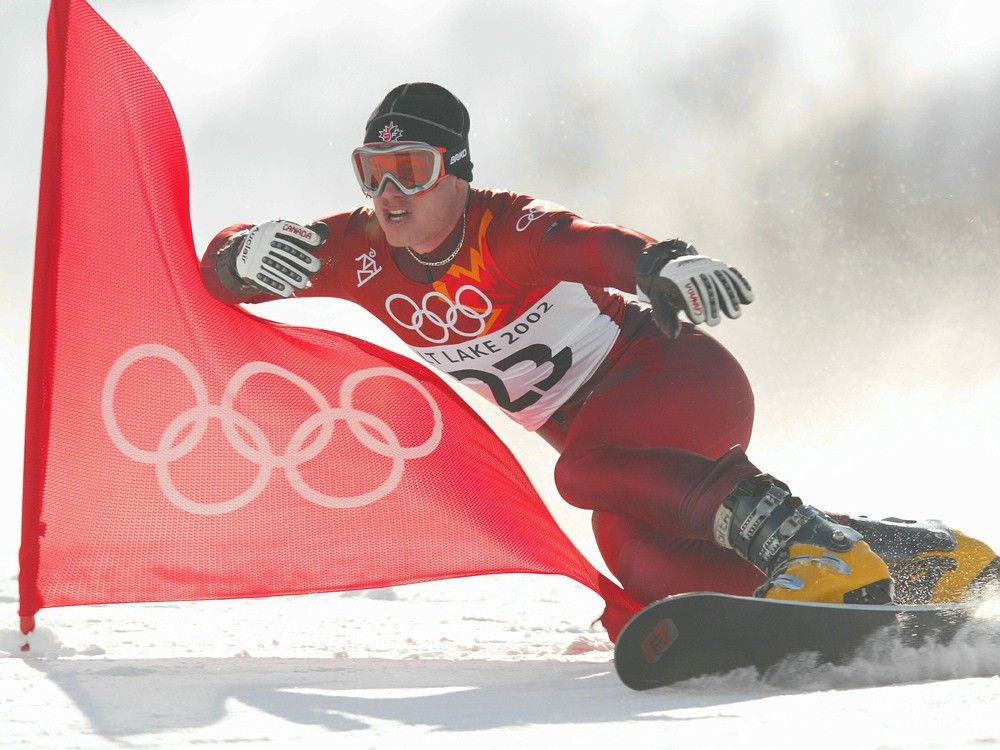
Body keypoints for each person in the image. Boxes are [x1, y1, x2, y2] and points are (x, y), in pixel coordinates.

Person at [202, 82, 998, 619]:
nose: (390, 193)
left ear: (459, 171)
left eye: (411, 169)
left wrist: (664, 261)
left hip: (673, 380)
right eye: (372, 172)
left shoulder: (503, 226)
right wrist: (240, 250)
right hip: (622, 447)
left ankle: (818, 549)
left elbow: (590, 244)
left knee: (580, 471)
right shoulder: (357, 248)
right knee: (648, 573)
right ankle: (913, 562)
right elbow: (216, 276)